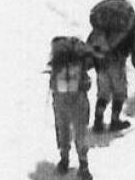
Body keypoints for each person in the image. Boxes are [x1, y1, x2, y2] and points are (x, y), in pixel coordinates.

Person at [48, 36, 101, 179]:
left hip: (60, 100)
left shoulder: (57, 61)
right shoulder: (81, 60)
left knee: (62, 128)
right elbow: (87, 83)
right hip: (78, 99)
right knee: (81, 132)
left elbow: (52, 84)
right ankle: (83, 166)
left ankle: (64, 160)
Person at [87, 19, 135, 133]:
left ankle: (98, 121)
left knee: (103, 94)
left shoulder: (100, 31)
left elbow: (89, 48)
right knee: (119, 93)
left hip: (101, 65)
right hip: (116, 64)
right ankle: (115, 120)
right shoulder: (130, 33)